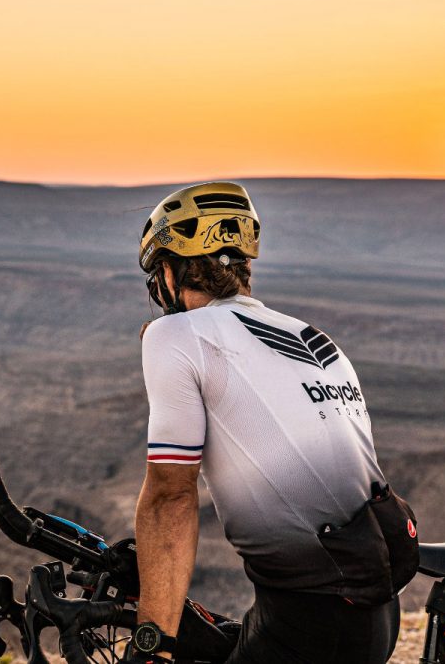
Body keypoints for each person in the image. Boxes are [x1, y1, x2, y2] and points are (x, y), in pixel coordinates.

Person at [127, 182, 409, 663]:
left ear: (171, 271)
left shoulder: (173, 334)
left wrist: (152, 645)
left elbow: (171, 496)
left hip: (308, 618)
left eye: (157, 275)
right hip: (377, 614)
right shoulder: (315, 338)